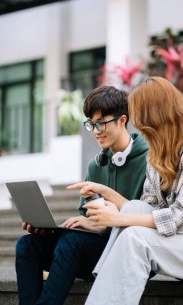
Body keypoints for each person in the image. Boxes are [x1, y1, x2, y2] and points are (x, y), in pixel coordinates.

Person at [75, 76, 183, 305]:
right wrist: (108, 197)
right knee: (134, 207)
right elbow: (146, 206)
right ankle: (109, 282)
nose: (136, 125)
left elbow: (181, 218)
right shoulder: (157, 155)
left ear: (154, 118)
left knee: (136, 237)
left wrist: (117, 218)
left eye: (139, 118)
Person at [15, 85, 148, 305]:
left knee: (71, 242)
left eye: (102, 123)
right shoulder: (95, 166)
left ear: (122, 120)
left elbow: (148, 219)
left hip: (129, 253)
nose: (96, 130)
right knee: (27, 244)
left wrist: (104, 225)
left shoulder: (149, 162)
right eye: (91, 124)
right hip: (93, 250)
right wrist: (49, 229)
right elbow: (87, 217)